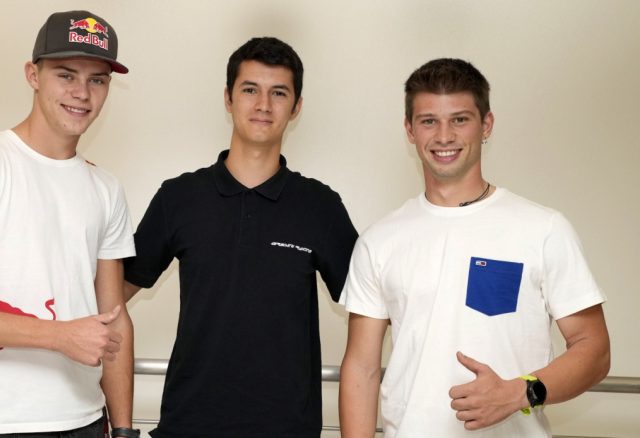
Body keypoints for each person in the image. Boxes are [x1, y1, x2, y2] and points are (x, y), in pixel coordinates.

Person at [338, 58, 610, 437]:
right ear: (410, 130)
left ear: (486, 125)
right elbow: (361, 369)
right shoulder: (379, 241)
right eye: (429, 121)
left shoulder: (543, 229)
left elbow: (594, 350)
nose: (444, 136)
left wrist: (521, 392)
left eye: (460, 119)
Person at [0, 10, 140, 438]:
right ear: (33, 75)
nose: (82, 93)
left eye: (97, 80)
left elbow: (114, 319)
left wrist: (124, 429)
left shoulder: (106, 189)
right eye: (66, 75)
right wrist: (59, 336)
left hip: (87, 422)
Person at [123, 37, 358, 437]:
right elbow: (110, 296)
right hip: (188, 427)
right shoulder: (179, 198)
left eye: (278, 93)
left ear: (296, 107)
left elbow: (373, 306)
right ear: (228, 98)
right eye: (250, 90)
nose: (263, 104)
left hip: (287, 430)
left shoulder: (319, 206)